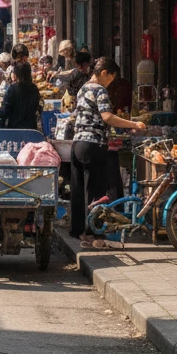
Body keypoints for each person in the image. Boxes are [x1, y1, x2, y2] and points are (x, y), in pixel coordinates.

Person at [71, 57, 146, 245]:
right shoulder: (99, 90)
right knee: (95, 191)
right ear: (105, 73)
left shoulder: (83, 89)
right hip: (93, 145)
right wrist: (133, 124)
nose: (111, 81)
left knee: (79, 190)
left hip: (77, 144)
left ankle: (79, 232)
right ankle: (93, 234)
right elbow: (107, 117)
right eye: (111, 77)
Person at [0, 62, 42, 130]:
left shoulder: (12, 89)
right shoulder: (34, 89)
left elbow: (4, 111)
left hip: (15, 130)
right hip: (31, 129)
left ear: (16, 74)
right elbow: (37, 107)